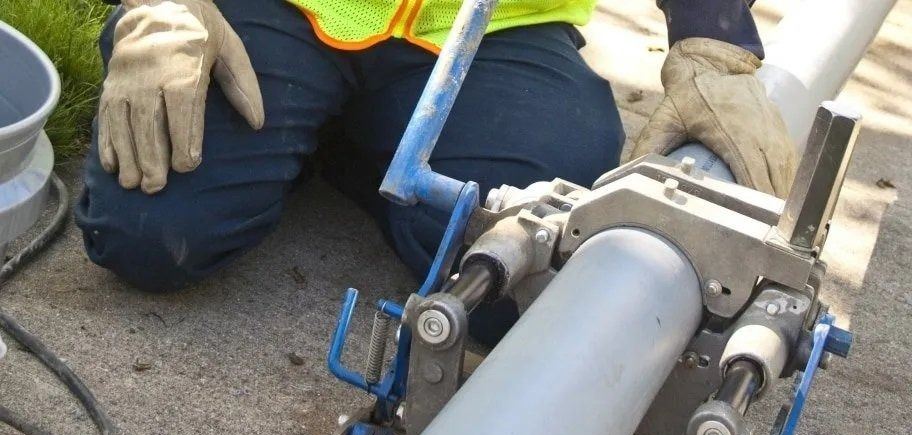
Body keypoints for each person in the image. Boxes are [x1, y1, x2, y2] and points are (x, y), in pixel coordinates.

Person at [77, 0, 794, 300]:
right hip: (277, 12)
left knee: (509, 250)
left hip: (491, 33)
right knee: (152, 234)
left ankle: (340, 146)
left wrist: (711, 45)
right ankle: (314, 129)